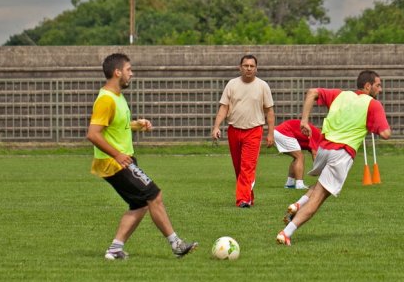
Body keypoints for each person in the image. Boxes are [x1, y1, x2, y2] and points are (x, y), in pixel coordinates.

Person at [87, 53, 198, 260]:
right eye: (129, 69)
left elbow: (116, 126)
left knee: (139, 204)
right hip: (115, 162)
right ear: (117, 72)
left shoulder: (117, 97)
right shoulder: (106, 100)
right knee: (154, 195)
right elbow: (93, 134)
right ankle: (176, 244)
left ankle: (115, 249)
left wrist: (137, 125)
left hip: (123, 160)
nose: (132, 74)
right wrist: (117, 155)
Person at [276, 70, 391, 246]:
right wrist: (375, 126)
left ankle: (298, 204)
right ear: (368, 86)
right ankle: (286, 233)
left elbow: (312, 92)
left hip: (323, 148)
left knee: (321, 184)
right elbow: (385, 134)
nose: (380, 89)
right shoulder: (373, 105)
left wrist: (304, 121)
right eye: (378, 85)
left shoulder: (341, 95)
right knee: (320, 198)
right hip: (341, 153)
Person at [211, 54, 275, 208]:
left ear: (256, 68)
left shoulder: (262, 86)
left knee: (247, 166)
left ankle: (242, 200)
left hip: (254, 131)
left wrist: (270, 133)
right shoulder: (232, 84)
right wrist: (216, 126)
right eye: (246, 65)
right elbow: (224, 107)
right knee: (239, 168)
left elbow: (269, 111)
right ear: (240, 67)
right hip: (234, 130)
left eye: (252, 66)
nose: (248, 68)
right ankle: (249, 197)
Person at [273, 119, 322, 190]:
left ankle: (289, 183)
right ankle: (299, 185)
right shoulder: (318, 135)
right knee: (300, 157)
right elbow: (315, 155)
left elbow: (314, 153)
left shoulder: (317, 135)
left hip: (279, 132)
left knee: (297, 157)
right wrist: (320, 171)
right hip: (284, 132)